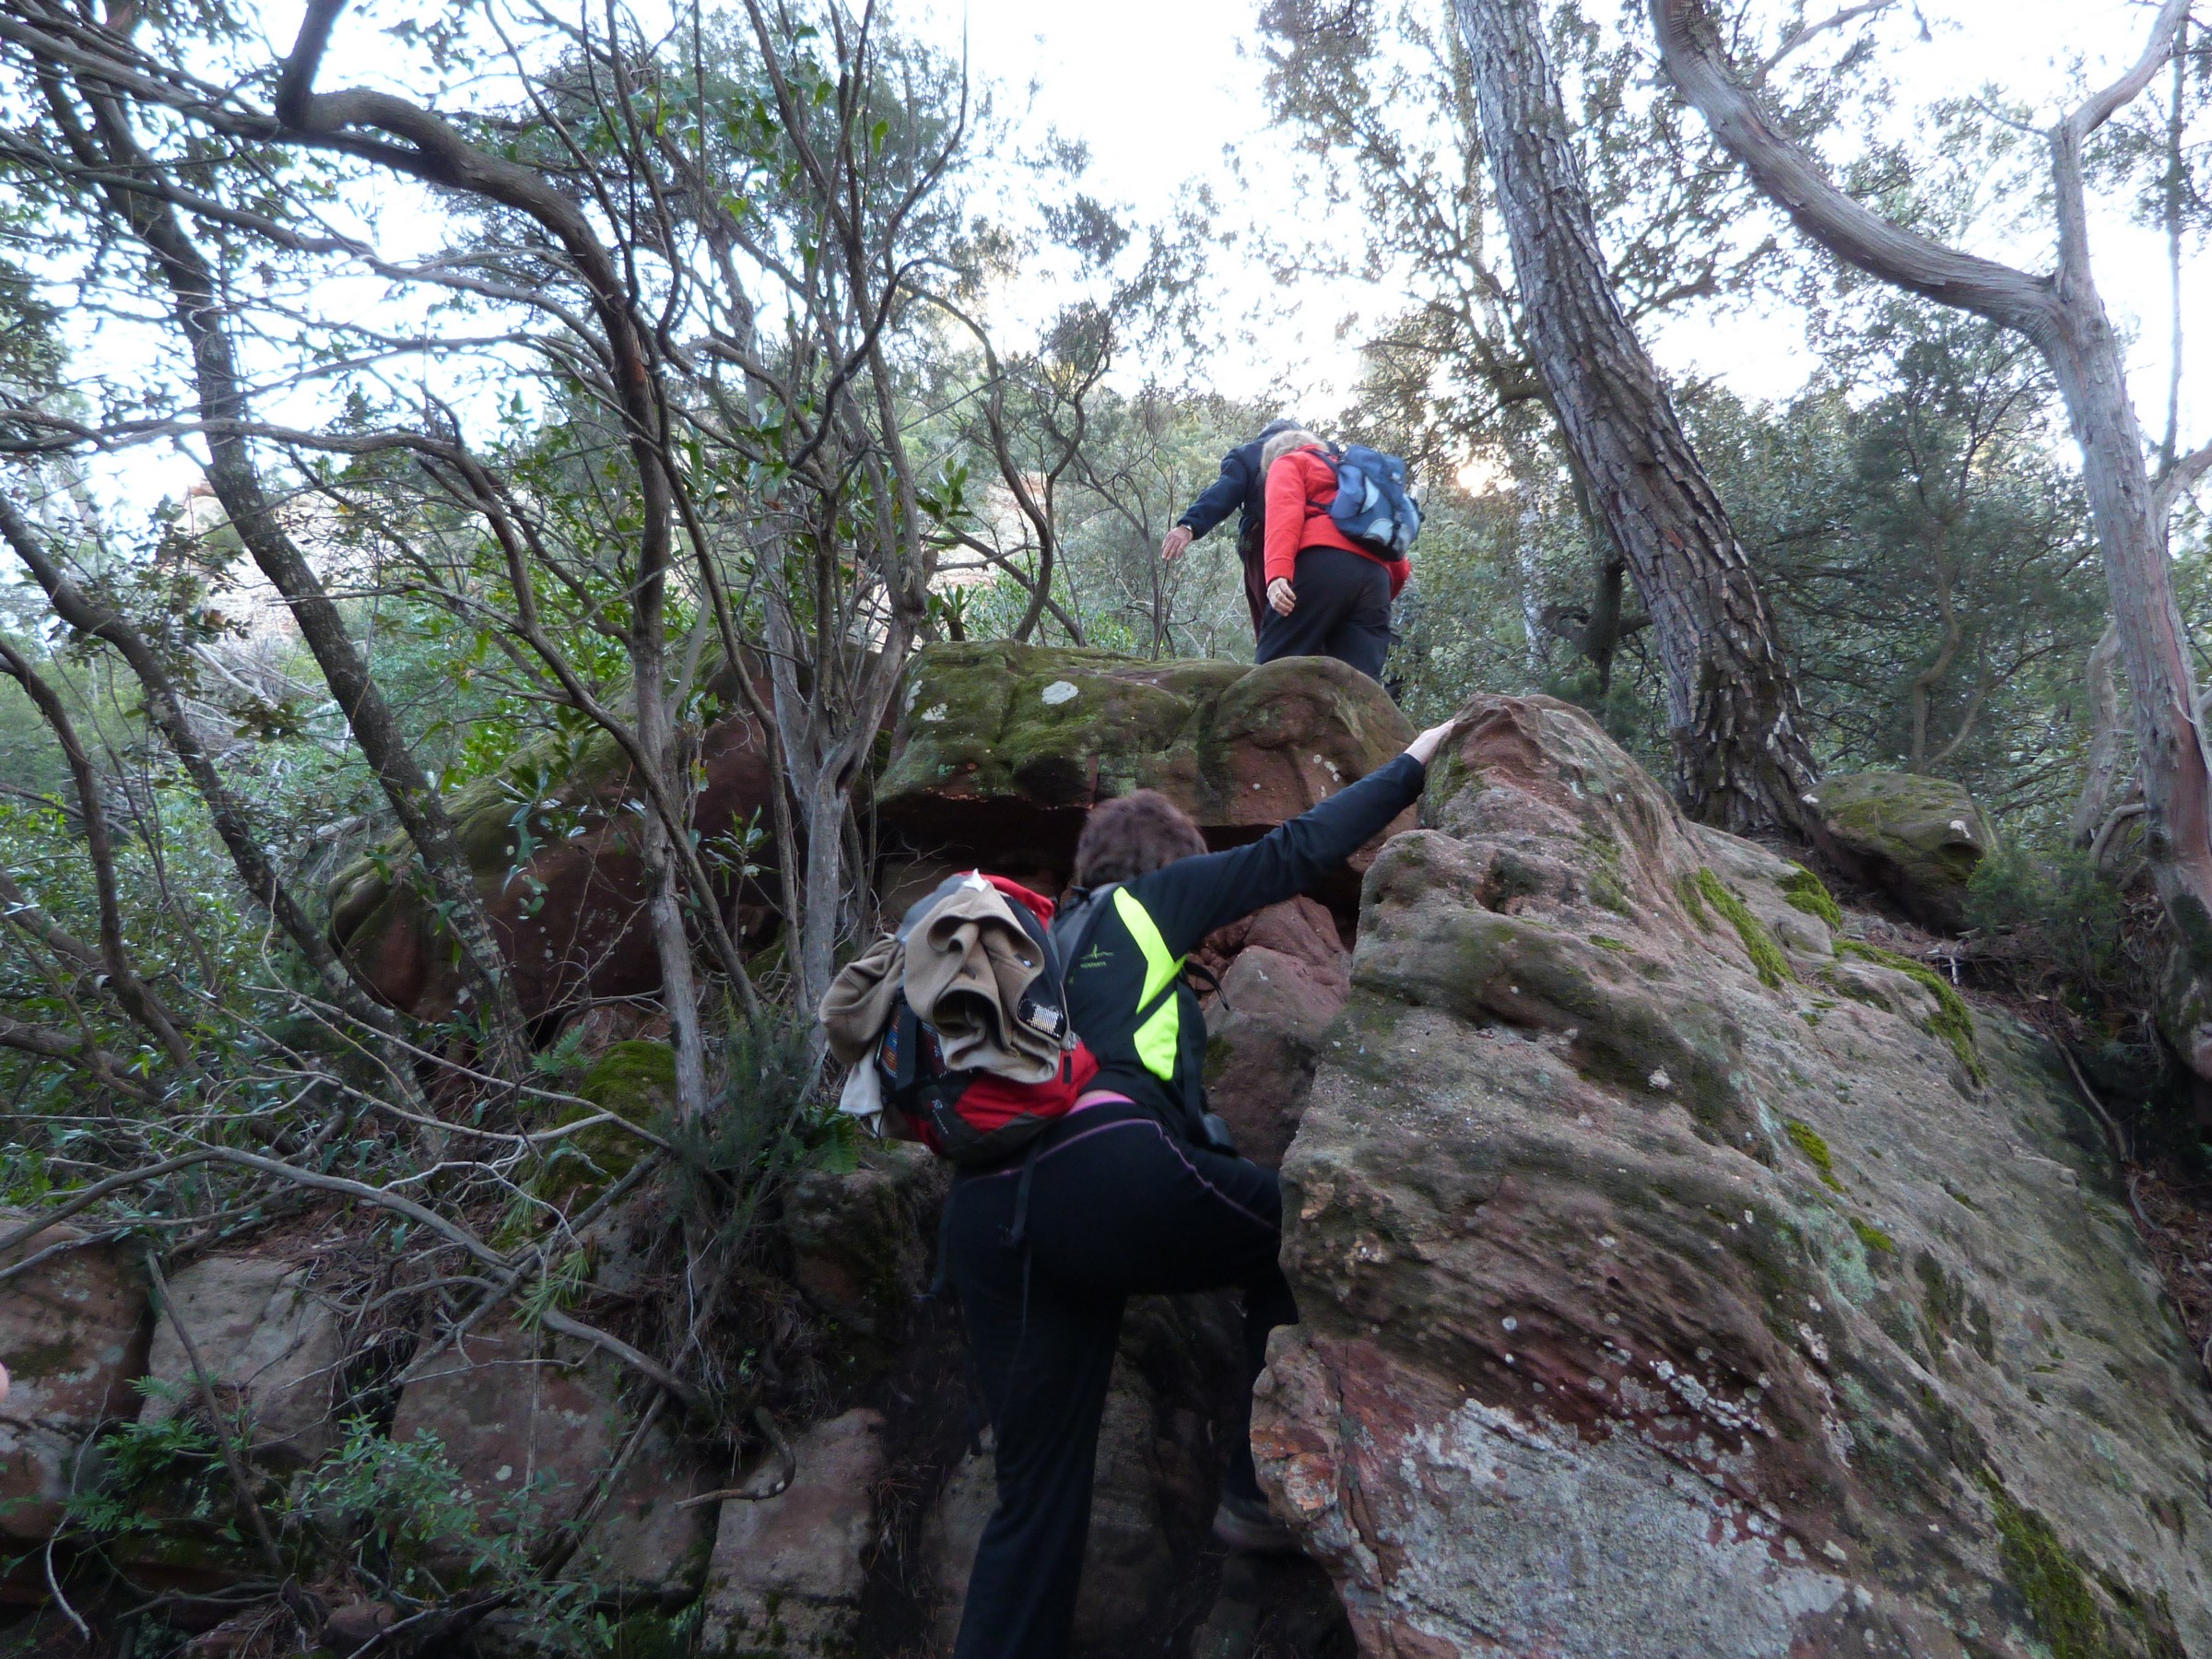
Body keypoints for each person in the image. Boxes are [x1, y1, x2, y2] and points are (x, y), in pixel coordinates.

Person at [943, 715, 1458, 1659]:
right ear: (1170, 863)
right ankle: (1256, 1498)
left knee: (1035, 1500)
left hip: (986, 1219)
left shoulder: (1035, 945)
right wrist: (1412, 764)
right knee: (1303, 1236)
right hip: (1102, 1172)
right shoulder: (1150, 902)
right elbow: (1296, 850)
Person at [1253, 427, 1409, 682]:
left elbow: (1284, 515)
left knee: (1273, 671)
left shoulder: (1290, 461)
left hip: (1322, 565)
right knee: (1359, 686)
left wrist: (1278, 574)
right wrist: (1380, 592)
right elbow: (1394, 549)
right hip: (1378, 579)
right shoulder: (1355, 475)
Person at [1159, 418, 1307, 640]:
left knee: (1275, 629)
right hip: (1327, 545)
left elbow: (1225, 491)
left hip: (1267, 542)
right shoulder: (1323, 454)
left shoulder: (1251, 453)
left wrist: (1189, 525)